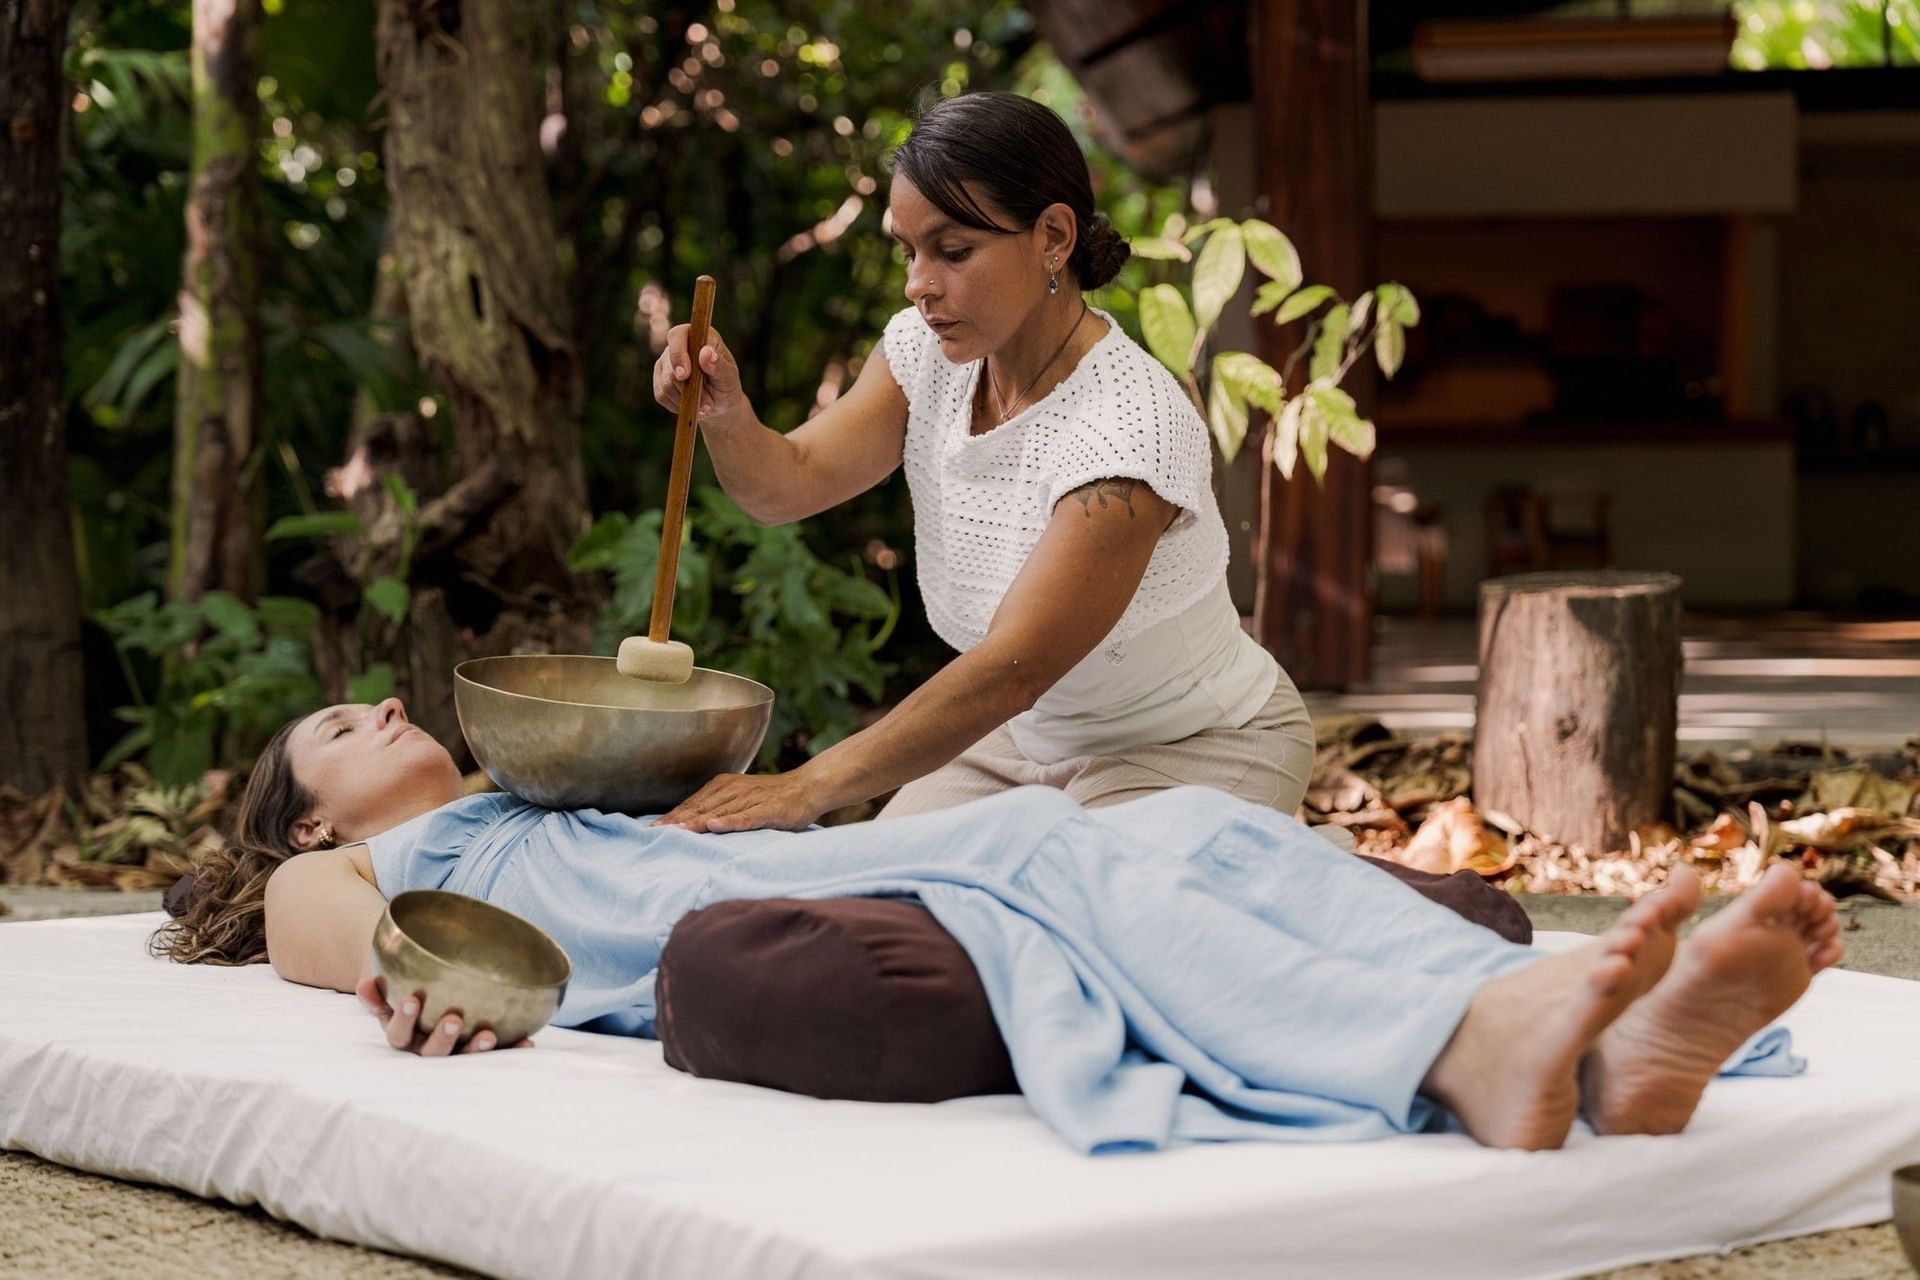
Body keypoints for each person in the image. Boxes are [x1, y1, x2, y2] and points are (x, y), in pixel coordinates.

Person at [158, 699, 1843, 1154]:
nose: (379, 705)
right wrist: (409, 973)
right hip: (753, 917)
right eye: (338, 728)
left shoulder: (536, 800)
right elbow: (315, 931)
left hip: (785, 866)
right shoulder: (367, 866)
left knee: (1181, 823)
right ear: (310, 812)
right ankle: (1471, 1052)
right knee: (1045, 851)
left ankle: (1594, 1031)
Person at [647, 91, 1312, 836]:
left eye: (953, 251)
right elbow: (786, 483)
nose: (917, 284)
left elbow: (1013, 668)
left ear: (1053, 236)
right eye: (910, 251)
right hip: (1018, 745)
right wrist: (724, 412)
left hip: (1195, 747)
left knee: (1056, 920)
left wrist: (806, 787)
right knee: (876, 902)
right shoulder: (924, 358)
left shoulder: (1129, 431)